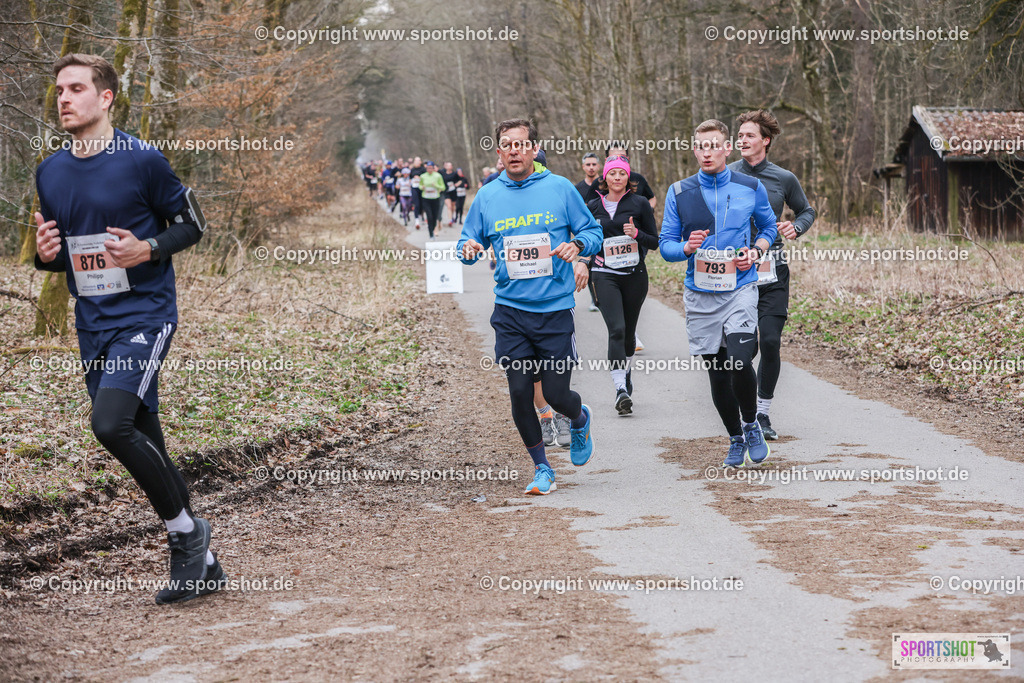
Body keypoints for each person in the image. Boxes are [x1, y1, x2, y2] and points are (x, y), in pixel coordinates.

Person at [33, 53, 226, 604]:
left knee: (111, 425)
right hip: (91, 322)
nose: (64, 98)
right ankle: (203, 562)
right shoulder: (50, 171)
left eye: (75, 88)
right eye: (59, 90)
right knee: (146, 436)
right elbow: (62, 253)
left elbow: (193, 224)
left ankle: (188, 536)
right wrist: (47, 257)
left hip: (143, 315)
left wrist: (149, 248)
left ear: (106, 97)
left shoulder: (142, 159)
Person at [457, 118, 601, 495]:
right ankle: (542, 469)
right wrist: (468, 250)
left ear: (534, 150)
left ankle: (579, 417)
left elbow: (593, 231)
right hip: (510, 312)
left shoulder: (559, 188)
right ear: (499, 151)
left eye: (521, 144)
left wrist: (579, 247)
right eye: (507, 144)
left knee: (555, 394)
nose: (514, 150)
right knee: (520, 391)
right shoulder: (488, 196)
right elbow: (467, 240)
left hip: (554, 309)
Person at [659, 119, 777, 468]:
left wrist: (755, 250)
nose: (707, 152)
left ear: (727, 148)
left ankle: (752, 423)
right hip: (701, 294)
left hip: (740, 286)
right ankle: (736, 437)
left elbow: (769, 226)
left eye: (714, 145)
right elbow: (665, 245)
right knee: (717, 372)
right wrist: (685, 247)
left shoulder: (750, 185)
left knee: (739, 359)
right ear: (694, 150)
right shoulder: (679, 191)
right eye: (701, 146)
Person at [729, 110, 816, 440]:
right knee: (744, 350)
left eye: (749, 135)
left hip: (773, 269)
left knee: (769, 341)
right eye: (739, 135)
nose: (742, 140)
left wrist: (796, 226)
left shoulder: (783, 178)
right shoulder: (726, 174)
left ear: (765, 141)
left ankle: (762, 415)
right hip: (734, 273)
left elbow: (806, 210)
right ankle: (745, 410)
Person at [586, 156, 658, 415]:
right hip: (604, 273)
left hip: (634, 275)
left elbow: (655, 241)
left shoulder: (639, 204)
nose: (617, 177)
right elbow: (585, 238)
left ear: (629, 178)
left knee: (628, 335)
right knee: (616, 329)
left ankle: (625, 373)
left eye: (622, 173)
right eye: (613, 173)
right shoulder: (592, 206)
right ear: (604, 178)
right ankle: (620, 389)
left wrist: (637, 234)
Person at [580, 146, 656, 209]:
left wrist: (647, 211)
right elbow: (587, 206)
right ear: (607, 160)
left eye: (622, 156)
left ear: (628, 158)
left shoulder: (638, 179)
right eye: (614, 157)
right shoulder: (598, 182)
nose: (617, 178)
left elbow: (651, 198)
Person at [575, 153, 602, 312]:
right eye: (588, 164)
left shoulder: (606, 183)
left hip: (606, 229)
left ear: (598, 166)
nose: (591, 167)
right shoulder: (577, 188)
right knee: (589, 264)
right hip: (586, 232)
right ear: (583, 167)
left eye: (594, 164)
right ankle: (595, 298)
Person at [418, 161, 447, 239]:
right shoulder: (423, 176)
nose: (429, 169)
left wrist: (436, 185)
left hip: (435, 198)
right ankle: (431, 233)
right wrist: (422, 187)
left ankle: (433, 228)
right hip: (426, 198)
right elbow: (420, 186)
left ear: (433, 168)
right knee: (429, 216)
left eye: (431, 168)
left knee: (435, 217)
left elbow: (443, 187)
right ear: (426, 168)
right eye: (428, 168)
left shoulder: (438, 176)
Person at [409, 156, 425, 229]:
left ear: (420, 162)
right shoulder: (412, 170)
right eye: (416, 161)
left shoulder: (423, 169)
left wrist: (419, 178)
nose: (417, 162)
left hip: (421, 189)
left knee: (422, 204)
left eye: (418, 161)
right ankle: (417, 220)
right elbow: (409, 178)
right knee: (416, 204)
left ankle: (422, 217)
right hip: (414, 188)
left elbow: (425, 178)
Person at [441, 161, 458, 226]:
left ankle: (452, 216)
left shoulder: (455, 174)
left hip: (453, 192)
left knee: (453, 206)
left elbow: (461, 179)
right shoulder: (443, 173)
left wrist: (457, 184)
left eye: (450, 165)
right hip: (446, 192)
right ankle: (450, 220)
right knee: (449, 206)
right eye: (448, 166)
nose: (449, 167)